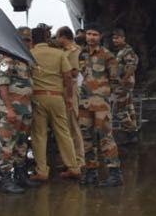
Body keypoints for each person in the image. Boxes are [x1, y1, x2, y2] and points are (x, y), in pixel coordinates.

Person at [28, 26, 81, 183]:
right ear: (47, 39)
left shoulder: (29, 55)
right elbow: (68, 78)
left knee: (39, 135)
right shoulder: (59, 54)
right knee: (63, 132)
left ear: (32, 40)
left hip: (38, 98)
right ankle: (73, 167)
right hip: (57, 98)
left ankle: (42, 171)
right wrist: (70, 98)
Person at [78, 24, 122, 187]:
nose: (91, 37)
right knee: (86, 137)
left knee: (105, 137)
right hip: (84, 102)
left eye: (95, 34)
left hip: (101, 103)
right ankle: (91, 172)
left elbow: (115, 80)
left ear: (100, 37)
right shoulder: (81, 54)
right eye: (88, 34)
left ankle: (114, 172)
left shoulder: (107, 56)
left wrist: (110, 99)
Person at [0, 27, 33, 194]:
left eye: (28, 40)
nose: (26, 43)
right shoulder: (7, 59)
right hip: (11, 110)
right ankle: (5, 178)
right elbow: (2, 85)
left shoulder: (25, 60)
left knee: (21, 143)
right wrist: (9, 109)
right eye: (23, 40)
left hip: (25, 110)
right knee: (7, 144)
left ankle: (20, 173)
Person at [55, 26, 85, 169]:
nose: (56, 39)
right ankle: (70, 159)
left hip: (70, 90)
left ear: (63, 37)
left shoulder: (73, 51)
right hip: (63, 90)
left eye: (57, 37)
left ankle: (79, 160)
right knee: (66, 126)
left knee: (73, 125)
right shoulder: (65, 51)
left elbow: (73, 72)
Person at [111, 27, 140, 143]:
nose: (115, 40)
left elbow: (132, 66)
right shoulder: (121, 51)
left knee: (119, 109)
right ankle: (133, 134)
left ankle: (131, 130)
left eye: (117, 38)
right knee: (129, 107)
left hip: (124, 84)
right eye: (114, 38)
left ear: (123, 38)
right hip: (125, 83)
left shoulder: (127, 51)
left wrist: (123, 80)